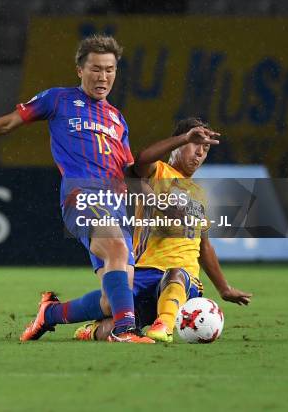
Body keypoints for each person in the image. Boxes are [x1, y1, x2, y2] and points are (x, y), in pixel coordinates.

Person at [0, 34, 152, 343]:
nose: (103, 77)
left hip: (116, 205)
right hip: (82, 193)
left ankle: (51, 314)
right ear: (79, 70)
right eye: (96, 69)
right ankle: (128, 332)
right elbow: (7, 124)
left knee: (115, 300)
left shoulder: (117, 118)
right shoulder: (58, 99)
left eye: (110, 69)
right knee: (115, 250)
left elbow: (129, 171)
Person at [74, 118, 252, 342]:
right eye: (195, 144)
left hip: (183, 279)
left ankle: (164, 325)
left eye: (205, 149)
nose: (199, 153)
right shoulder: (158, 172)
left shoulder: (200, 194)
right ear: (179, 143)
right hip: (143, 271)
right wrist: (182, 138)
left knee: (175, 272)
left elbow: (204, 246)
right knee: (115, 322)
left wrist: (224, 289)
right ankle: (82, 326)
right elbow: (141, 160)